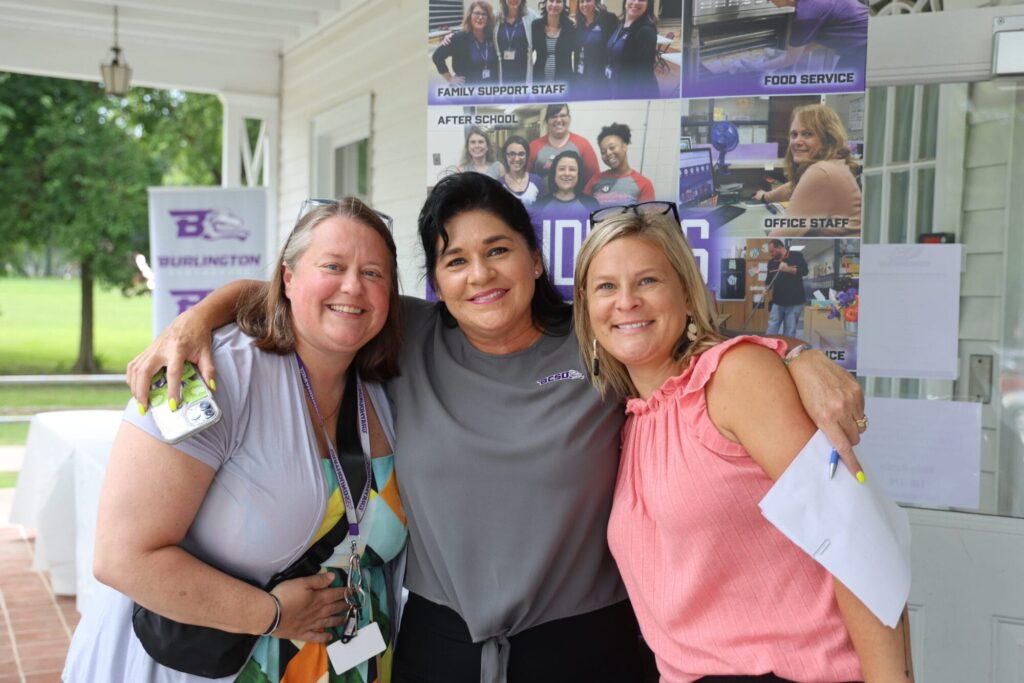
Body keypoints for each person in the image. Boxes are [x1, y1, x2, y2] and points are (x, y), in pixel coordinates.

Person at [127, 177, 869, 683]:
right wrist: (195, 318)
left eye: (498, 250)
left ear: (535, 256)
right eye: (454, 260)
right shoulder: (407, 336)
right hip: (439, 647)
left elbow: (680, 340)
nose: (479, 274)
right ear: (435, 282)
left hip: (589, 645)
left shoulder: (593, 342)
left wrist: (795, 354)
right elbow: (305, 295)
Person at [64, 199, 407, 683]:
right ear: (288, 278)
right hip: (208, 665)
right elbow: (122, 557)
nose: (353, 286)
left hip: (350, 661)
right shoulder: (211, 373)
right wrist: (270, 614)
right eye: (332, 266)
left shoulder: (380, 385)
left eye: (373, 273)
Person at [573, 202, 914, 683]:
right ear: (587, 307)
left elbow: (857, 537)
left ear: (688, 296)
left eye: (648, 280)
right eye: (606, 286)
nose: (626, 301)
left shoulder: (733, 377)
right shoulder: (633, 420)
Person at [754, 104, 862, 236]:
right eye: (794, 135)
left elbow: (777, 239)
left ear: (828, 137)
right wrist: (765, 196)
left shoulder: (821, 172)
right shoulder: (833, 165)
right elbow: (795, 187)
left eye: (807, 134)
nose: (797, 141)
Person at [747, 0, 868, 74]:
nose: (768, 1)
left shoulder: (806, 16)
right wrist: (785, 54)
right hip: (865, 39)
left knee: (847, 81)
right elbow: (821, 38)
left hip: (865, 48)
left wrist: (757, 67)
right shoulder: (812, 5)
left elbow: (790, 59)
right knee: (844, 77)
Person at [584, 123, 655, 206]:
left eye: (612, 147)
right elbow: (581, 209)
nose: (608, 153)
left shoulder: (644, 184)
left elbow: (647, 217)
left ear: (624, 146)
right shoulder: (595, 180)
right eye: (603, 152)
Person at [431, 1, 499, 86]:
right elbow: (437, 57)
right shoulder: (458, 38)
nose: (480, 17)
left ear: (488, 18)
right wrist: (449, 78)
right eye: (477, 13)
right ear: (470, 15)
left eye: (484, 14)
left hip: (487, 91)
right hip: (465, 91)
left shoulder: (492, 38)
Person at [528, 103, 600, 182]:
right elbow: (525, 179)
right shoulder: (534, 146)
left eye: (562, 116)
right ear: (547, 121)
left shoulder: (583, 144)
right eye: (553, 116)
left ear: (569, 118)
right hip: (542, 194)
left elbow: (595, 179)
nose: (558, 120)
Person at [606, 0, 660, 99]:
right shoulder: (621, 24)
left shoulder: (646, 31)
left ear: (649, 4)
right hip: (616, 85)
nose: (635, 2)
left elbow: (644, 75)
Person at [766, 238, 808, 338]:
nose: (771, 254)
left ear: (780, 247)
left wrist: (787, 269)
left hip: (794, 302)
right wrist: (766, 289)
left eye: (772, 251)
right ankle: (769, 350)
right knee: (772, 328)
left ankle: (787, 352)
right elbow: (769, 281)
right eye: (770, 252)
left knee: (789, 331)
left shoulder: (796, 255)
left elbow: (804, 271)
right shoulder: (771, 262)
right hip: (777, 302)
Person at [574, 0, 618, 96]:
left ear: (596, 2)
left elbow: (614, 47)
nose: (584, 4)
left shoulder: (608, 19)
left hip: (600, 77)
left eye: (588, 1)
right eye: (581, 2)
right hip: (581, 76)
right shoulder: (579, 24)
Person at [532, 150, 599, 213]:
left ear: (579, 174)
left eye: (572, 169)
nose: (567, 173)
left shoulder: (591, 204)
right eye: (562, 169)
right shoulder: (540, 204)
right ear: (554, 173)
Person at [530, 0, 577, 86]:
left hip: (564, 82)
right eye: (551, 1)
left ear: (563, 5)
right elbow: (528, 51)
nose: (554, 5)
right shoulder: (536, 26)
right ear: (546, 3)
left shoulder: (571, 27)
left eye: (558, 1)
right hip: (540, 81)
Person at [494, 0, 538, 84]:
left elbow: (546, 24)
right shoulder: (496, 17)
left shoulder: (530, 16)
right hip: (503, 73)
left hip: (524, 72)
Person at [498, 135, 545, 207]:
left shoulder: (537, 181)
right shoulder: (498, 185)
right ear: (505, 156)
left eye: (521, 154)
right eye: (512, 154)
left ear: (527, 156)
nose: (517, 159)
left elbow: (543, 212)